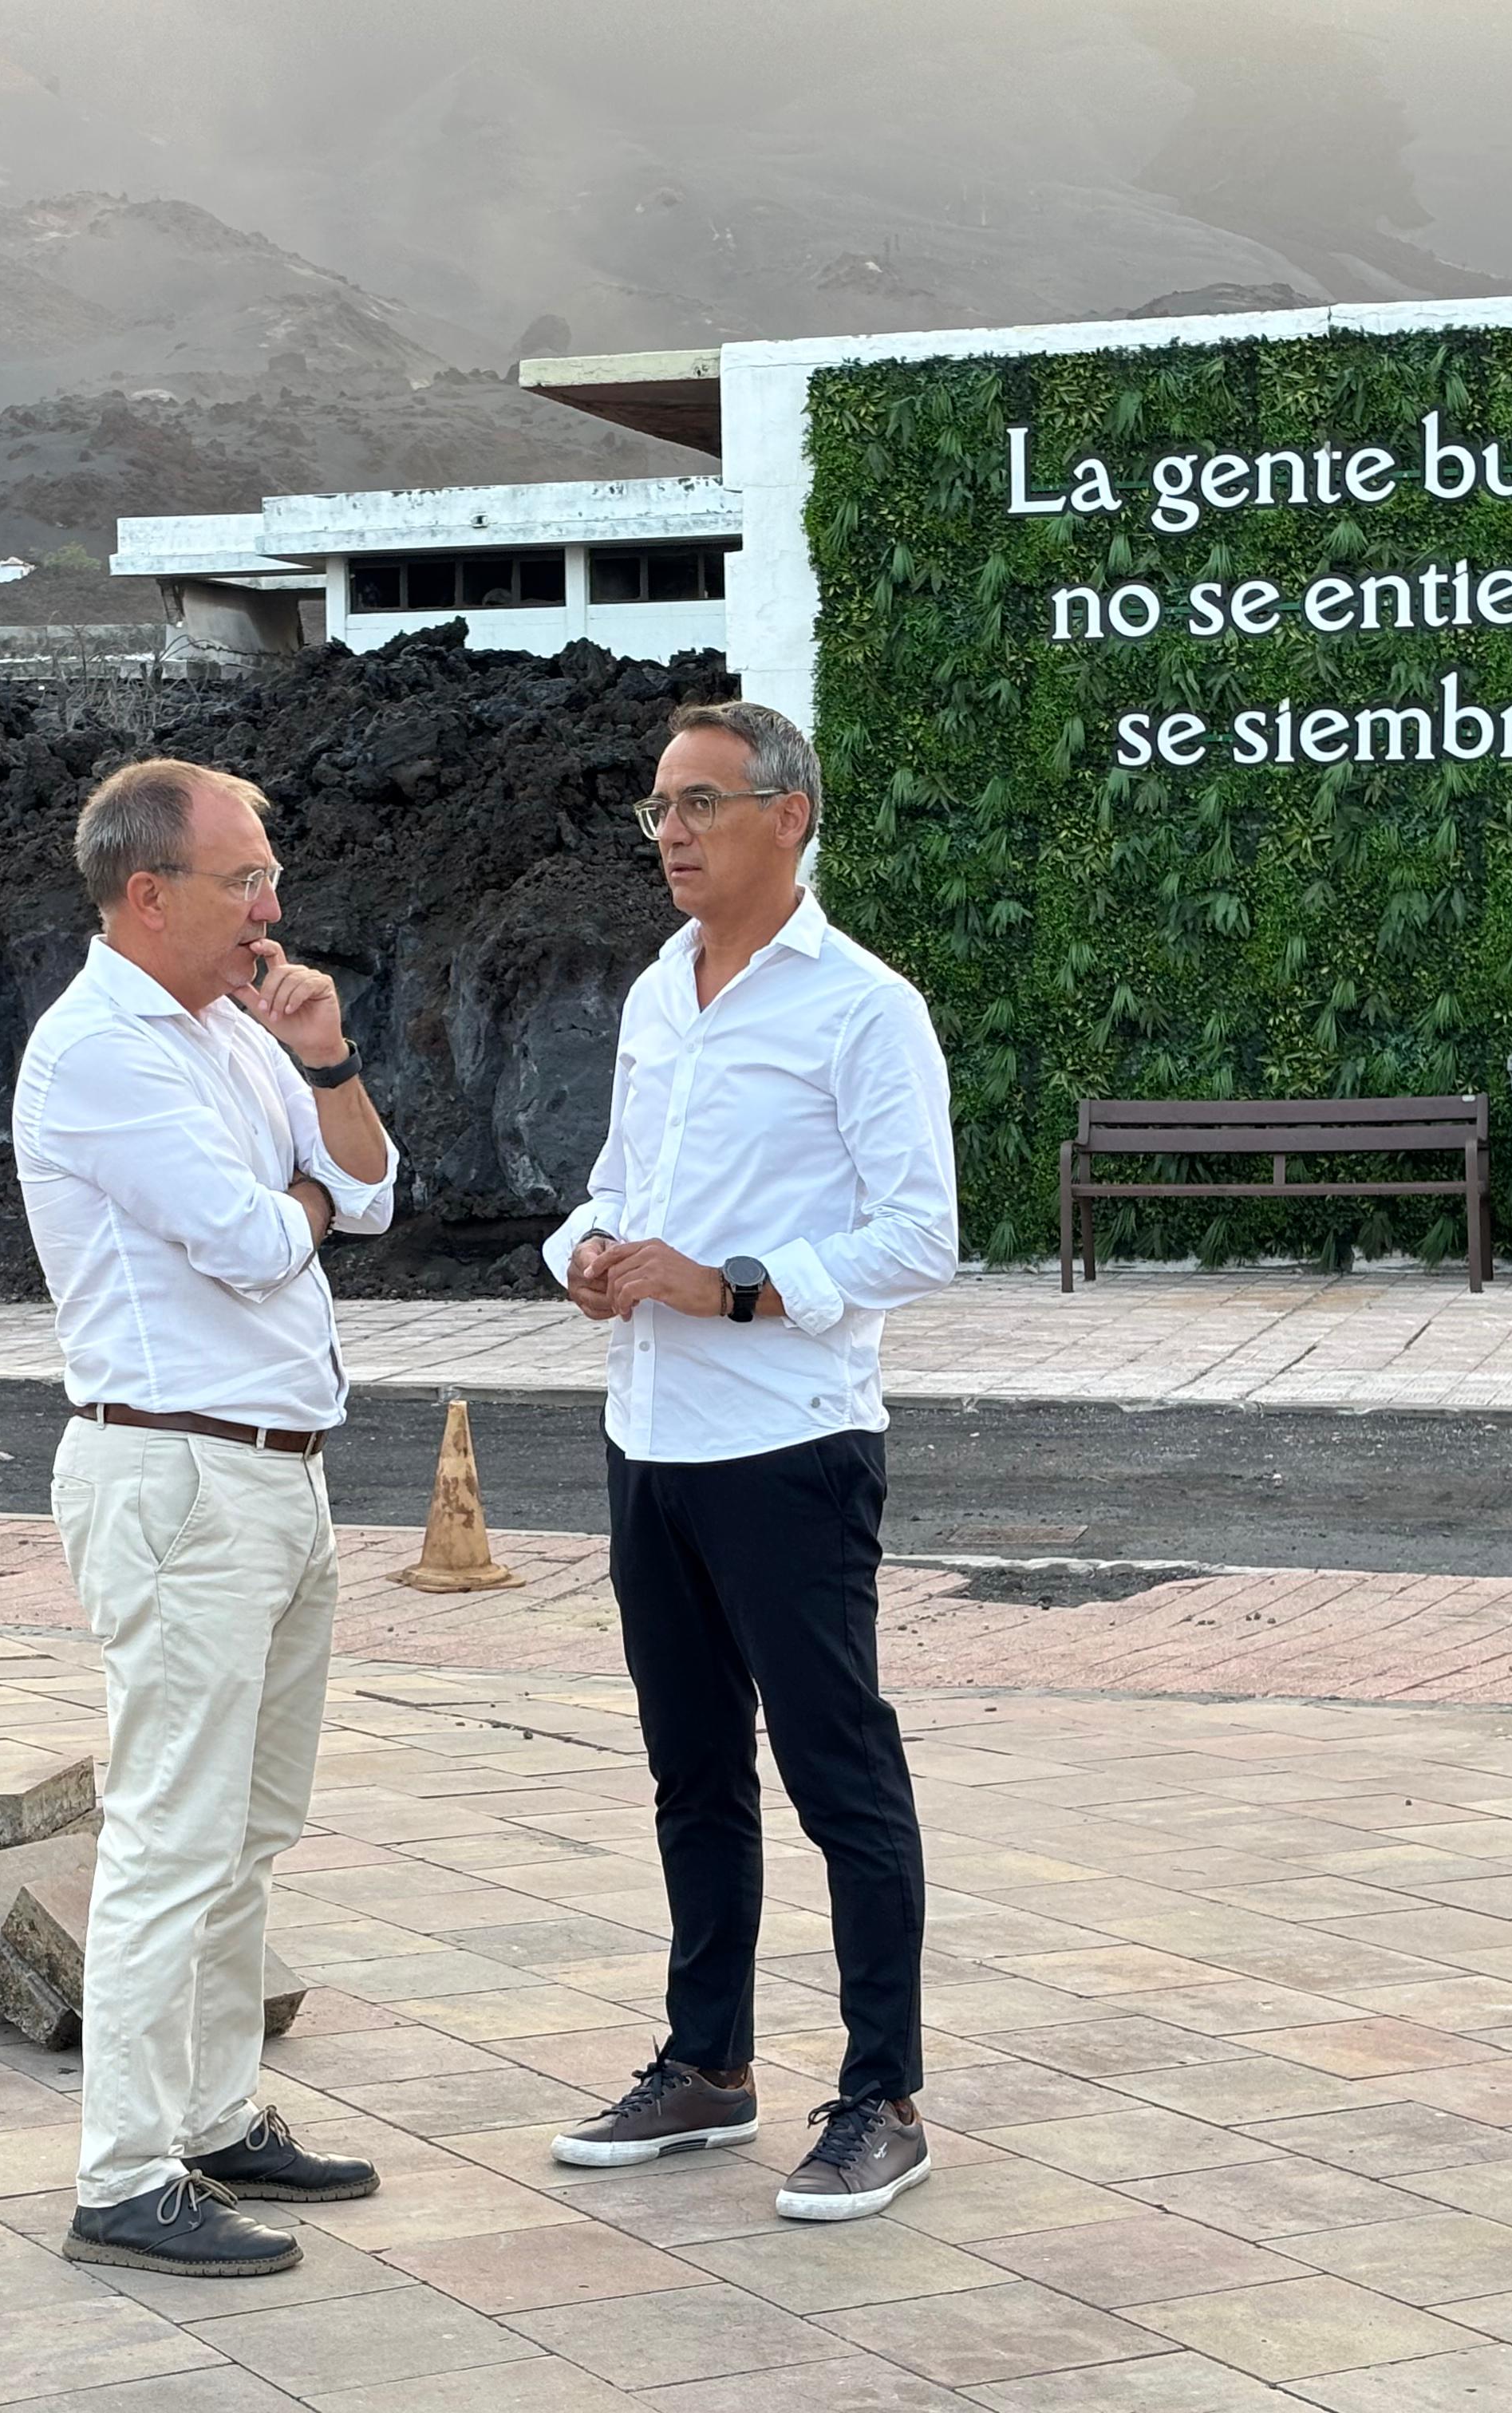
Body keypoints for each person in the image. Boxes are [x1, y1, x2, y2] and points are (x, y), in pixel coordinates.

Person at [539, 698, 959, 2221]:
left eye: (700, 804)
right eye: (658, 807)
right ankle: (707, 2064)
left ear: (790, 815)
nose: (671, 832)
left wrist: (734, 1288)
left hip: (790, 1447)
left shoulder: (863, 1007)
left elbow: (921, 1236)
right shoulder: (660, 991)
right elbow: (613, 1184)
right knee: (692, 1771)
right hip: (648, 1436)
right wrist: (587, 1254)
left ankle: (882, 2096)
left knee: (839, 1772)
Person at [14, 756, 398, 2279]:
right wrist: (305, 1205)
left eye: (270, 875)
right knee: (173, 1833)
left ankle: (218, 2113)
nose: (271, 904)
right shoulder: (101, 1051)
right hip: (176, 1475)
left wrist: (327, 1062)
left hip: (278, 1472)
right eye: (244, 878)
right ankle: (124, 2173)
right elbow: (252, 1242)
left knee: (250, 1827)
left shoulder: (236, 1030)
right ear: (147, 893)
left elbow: (374, 1191)